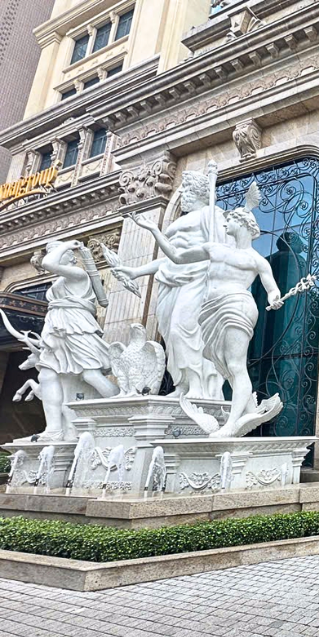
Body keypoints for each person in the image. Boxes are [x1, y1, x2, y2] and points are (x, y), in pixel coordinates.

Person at [135, 187, 283, 437]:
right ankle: (249, 410)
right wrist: (154, 230)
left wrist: (274, 297)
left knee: (235, 365)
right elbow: (176, 257)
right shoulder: (214, 248)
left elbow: (272, 288)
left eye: (230, 221)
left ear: (242, 224)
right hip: (212, 309)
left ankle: (231, 425)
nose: (225, 225)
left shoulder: (257, 260)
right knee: (223, 365)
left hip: (237, 306)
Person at [116, 162, 226, 399]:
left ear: (198, 192)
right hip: (171, 281)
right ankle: (183, 385)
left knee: (182, 329)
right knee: (170, 334)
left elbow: (219, 249)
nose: (182, 194)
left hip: (197, 278)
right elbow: (169, 259)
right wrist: (136, 272)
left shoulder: (211, 214)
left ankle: (199, 386)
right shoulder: (178, 223)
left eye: (186, 190)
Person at [36, 240, 117, 439]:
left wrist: (65, 246)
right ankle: (54, 429)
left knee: (90, 374)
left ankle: (125, 409)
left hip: (76, 327)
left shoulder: (79, 274)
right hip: (55, 329)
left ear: (70, 257)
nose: (53, 254)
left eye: (56, 251)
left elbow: (47, 263)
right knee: (48, 375)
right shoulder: (60, 281)